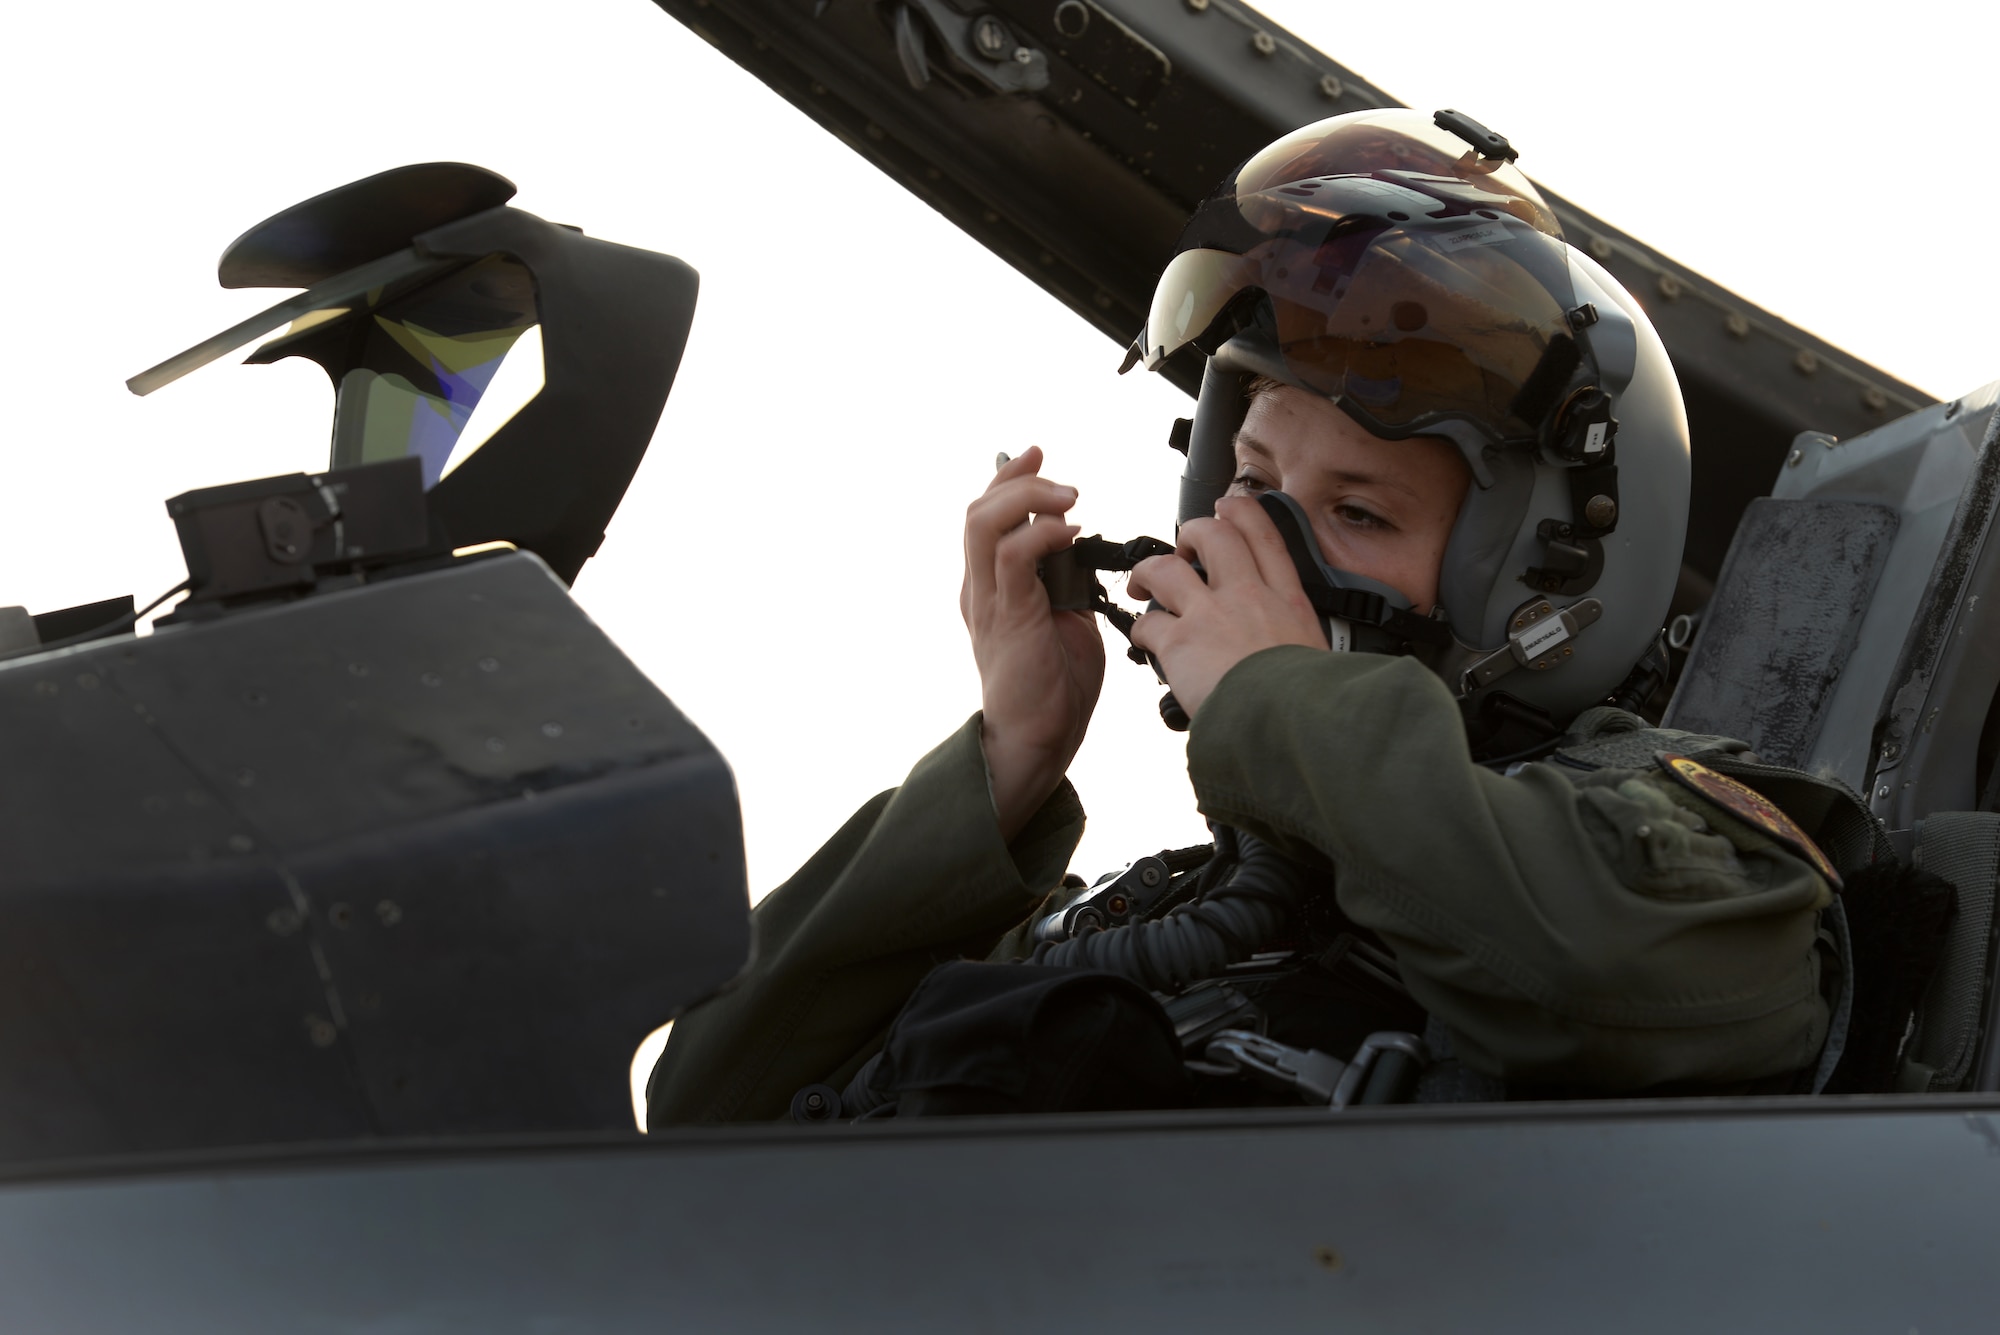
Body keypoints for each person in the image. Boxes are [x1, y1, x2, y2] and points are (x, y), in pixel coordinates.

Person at [648, 109, 1889, 1125]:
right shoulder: (1162, 909)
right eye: (1248, 485)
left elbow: (1622, 978)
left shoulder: (1676, 845)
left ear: (1541, 588)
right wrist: (1009, 758)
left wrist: (1278, 707)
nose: (1257, 542)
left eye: (1356, 512)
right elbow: (708, 1114)